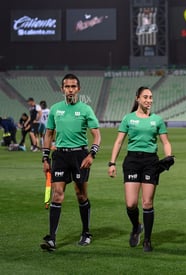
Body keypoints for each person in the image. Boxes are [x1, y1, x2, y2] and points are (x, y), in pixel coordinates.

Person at [40, 73, 101, 252]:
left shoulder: (86, 109)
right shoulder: (55, 109)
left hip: (79, 155)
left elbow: (96, 134)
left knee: (81, 195)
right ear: (62, 89)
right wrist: (45, 158)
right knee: (57, 194)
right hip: (59, 155)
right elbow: (49, 134)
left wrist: (92, 155)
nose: (70, 90)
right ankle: (51, 238)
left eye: (73, 86)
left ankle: (86, 233)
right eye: (67, 86)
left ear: (78, 89)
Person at [108, 86, 172, 252]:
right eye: (145, 97)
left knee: (147, 202)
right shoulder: (128, 118)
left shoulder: (157, 120)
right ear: (137, 98)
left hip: (151, 162)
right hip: (132, 161)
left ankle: (147, 240)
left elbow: (165, 142)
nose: (149, 100)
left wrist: (169, 157)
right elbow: (119, 142)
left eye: (151, 97)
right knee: (131, 204)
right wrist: (112, 163)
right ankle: (137, 226)